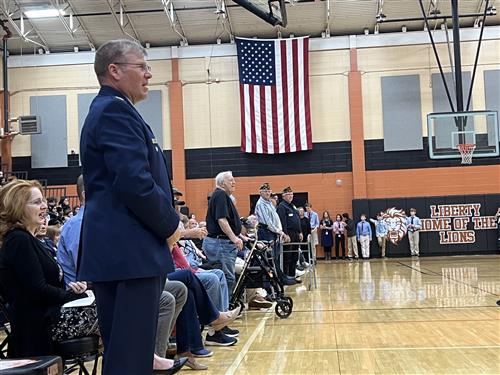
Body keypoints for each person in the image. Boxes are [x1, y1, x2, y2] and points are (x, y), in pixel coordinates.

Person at [79, 39, 186, 375]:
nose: (149, 74)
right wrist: (171, 224)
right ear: (114, 70)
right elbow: (135, 183)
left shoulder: (115, 110)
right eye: (142, 66)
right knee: (130, 359)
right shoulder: (114, 110)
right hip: (130, 251)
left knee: (128, 355)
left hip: (125, 251)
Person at [0, 180, 94, 358]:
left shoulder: (29, 240)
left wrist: (73, 290)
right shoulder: (18, 240)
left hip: (44, 318)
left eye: (43, 201)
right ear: (18, 207)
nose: (44, 206)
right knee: (112, 307)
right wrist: (72, 296)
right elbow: (37, 290)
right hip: (37, 325)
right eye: (36, 202)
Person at [203, 171, 242, 295]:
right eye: (230, 180)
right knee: (227, 278)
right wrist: (234, 238)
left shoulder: (221, 195)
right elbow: (222, 220)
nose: (234, 182)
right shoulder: (221, 195)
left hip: (221, 242)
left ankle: (224, 307)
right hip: (221, 243)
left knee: (226, 277)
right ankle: (225, 309)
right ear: (222, 183)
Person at [276, 187, 302, 278]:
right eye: (289, 194)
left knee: (295, 255)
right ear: (283, 196)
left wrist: (300, 232)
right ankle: (286, 276)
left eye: (292, 194)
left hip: (295, 234)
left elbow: (297, 219)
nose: (291, 196)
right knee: (288, 256)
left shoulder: (292, 206)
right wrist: (285, 234)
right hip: (288, 234)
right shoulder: (282, 206)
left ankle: (292, 274)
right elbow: (282, 222)